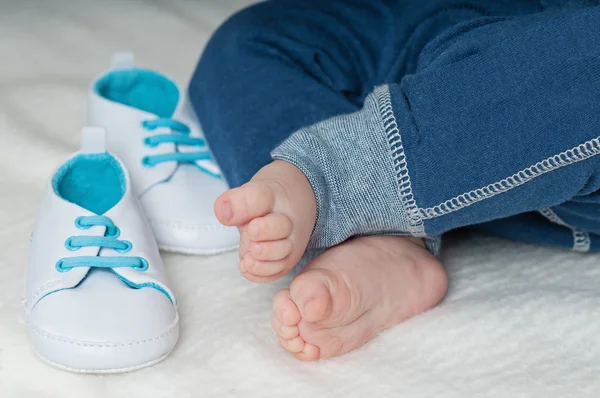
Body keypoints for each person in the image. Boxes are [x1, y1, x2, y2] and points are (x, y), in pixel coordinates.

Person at [188, 0, 600, 361]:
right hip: (440, 24)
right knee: (248, 42)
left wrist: (331, 177)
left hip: (568, 118)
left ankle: (339, 183)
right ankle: (384, 240)